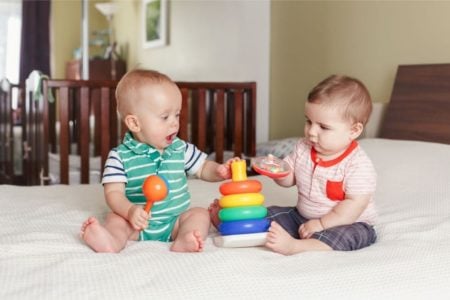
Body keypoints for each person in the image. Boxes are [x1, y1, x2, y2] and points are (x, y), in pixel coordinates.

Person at [209, 75, 377, 255]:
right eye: (309, 121)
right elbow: (289, 179)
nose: (311, 132)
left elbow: (352, 207)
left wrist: (321, 224)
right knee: (269, 215)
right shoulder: (303, 148)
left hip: (346, 222)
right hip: (302, 216)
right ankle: (235, 224)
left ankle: (297, 246)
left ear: (354, 130)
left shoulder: (358, 165)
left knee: (349, 236)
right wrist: (278, 171)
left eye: (323, 127)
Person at [81, 69, 234, 253]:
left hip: (174, 222)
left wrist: (219, 171)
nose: (175, 123)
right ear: (135, 124)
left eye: (177, 115)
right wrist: (129, 211)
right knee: (115, 220)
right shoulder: (120, 156)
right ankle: (111, 241)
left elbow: (203, 168)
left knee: (200, 214)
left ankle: (185, 238)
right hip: (135, 222)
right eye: (165, 117)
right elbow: (113, 193)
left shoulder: (180, 148)